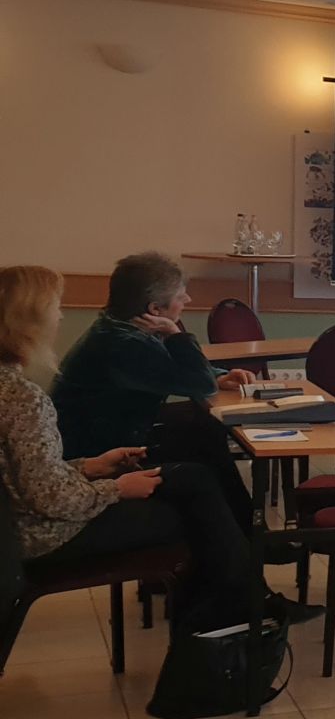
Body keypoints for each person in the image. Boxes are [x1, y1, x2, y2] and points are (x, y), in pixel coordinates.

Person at [0, 266, 315, 642]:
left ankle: (239, 581)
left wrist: (89, 467)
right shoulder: (29, 395)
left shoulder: (109, 336)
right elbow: (49, 496)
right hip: (46, 532)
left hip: (57, 493)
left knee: (200, 457)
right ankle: (238, 596)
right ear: (28, 323)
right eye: (55, 308)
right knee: (199, 499)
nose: (61, 317)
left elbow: (35, 475)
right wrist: (117, 487)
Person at [51, 252, 257, 530]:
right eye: (181, 296)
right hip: (98, 454)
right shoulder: (123, 344)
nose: (188, 300)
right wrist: (176, 334)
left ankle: (245, 533)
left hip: (115, 435)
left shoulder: (119, 328)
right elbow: (201, 386)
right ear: (155, 309)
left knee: (205, 433)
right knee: (204, 451)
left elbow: (175, 370)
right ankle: (246, 536)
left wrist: (218, 376)